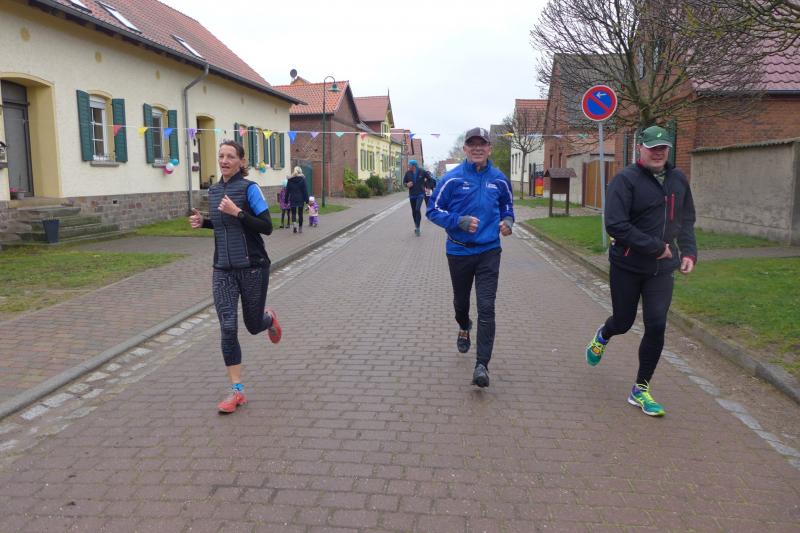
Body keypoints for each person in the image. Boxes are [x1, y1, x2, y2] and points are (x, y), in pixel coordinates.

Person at [585, 125, 697, 417]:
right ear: (640, 149)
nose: (658, 153)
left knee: (656, 324)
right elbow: (615, 224)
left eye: (663, 148)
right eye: (653, 148)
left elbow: (686, 219)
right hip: (628, 265)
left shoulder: (678, 179)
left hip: (661, 269)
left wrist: (689, 252)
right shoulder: (625, 180)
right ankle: (603, 334)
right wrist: (655, 247)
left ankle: (640, 389)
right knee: (623, 322)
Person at [189, 140, 283, 413]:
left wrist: (239, 212)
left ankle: (269, 319)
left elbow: (267, 227)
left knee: (252, 325)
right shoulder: (214, 191)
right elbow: (223, 226)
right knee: (228, 327)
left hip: (253, 267)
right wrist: (204, 222)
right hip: (223, 269)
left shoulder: (250, 189)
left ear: (241, 161)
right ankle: (237, 390)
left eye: (230, 156)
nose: (224, 160)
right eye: (221, 156)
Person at [427, 127, 514, 388]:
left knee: (487, 306)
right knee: (461, 303)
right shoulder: (451, 179)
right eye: (472, 144)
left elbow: (507, 207)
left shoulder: (499, 179)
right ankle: (464, 325)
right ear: (465, 148)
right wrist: (458, 221)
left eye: (482, 144)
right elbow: (432, 210)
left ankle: (482, 365)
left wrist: (508, 221)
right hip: (459, 251)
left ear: (489, 148)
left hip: (489, 251)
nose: (477, 148)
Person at [403, 159, 433, 236]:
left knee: (417, 209)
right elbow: (404, 182)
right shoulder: (408, 173)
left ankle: (418, 228)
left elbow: (430, 179)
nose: (408, 166)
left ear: (414, 165)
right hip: (412, 194)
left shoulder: (422, 171)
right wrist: (407, 184)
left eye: (409, 165)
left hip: (420, 193)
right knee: (414, 211)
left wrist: (428, 187)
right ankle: (416, 225)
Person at [286, 166, 309, 234]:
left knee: (293, 213)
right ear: (300, 171)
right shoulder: (302, 179)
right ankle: (300, 228)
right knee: (300, 214)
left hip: (292, 198)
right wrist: (307, 200)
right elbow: (305, 191)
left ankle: (294, 226)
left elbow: (287, 191)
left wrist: (286, 200)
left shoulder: (290, 180)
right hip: (300, 198)